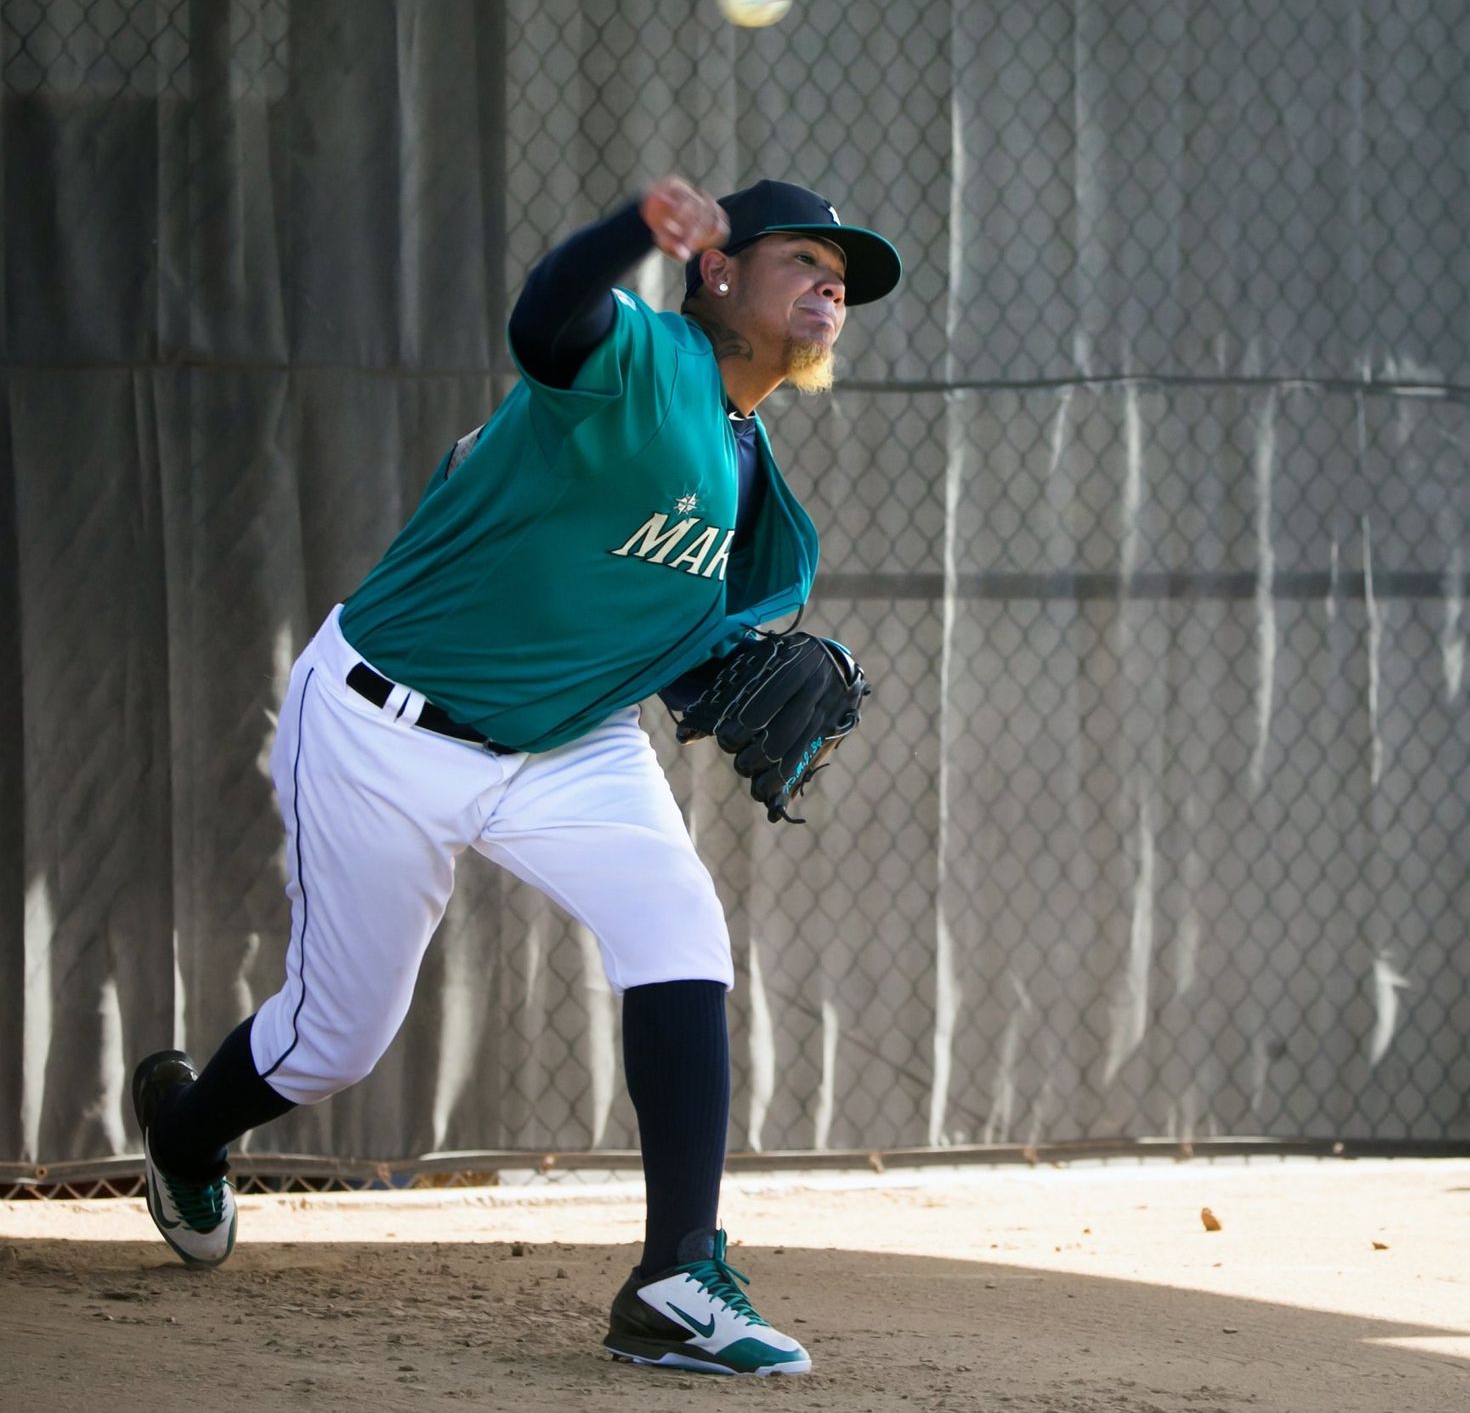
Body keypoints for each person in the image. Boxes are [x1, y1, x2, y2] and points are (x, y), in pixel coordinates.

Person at [126, 175, 902, 1377]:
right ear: (718, 274)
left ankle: (675, 1275)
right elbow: (548, 316)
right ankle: (185, 1128)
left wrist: (733, 677)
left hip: (569, 740)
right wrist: (629, 234)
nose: (830, 284)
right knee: (337, 1039)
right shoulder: (640, 357)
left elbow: (685, 660)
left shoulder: (752, 478)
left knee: (680, 925)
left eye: (842, 276)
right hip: (390, 724)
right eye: (803, 258)